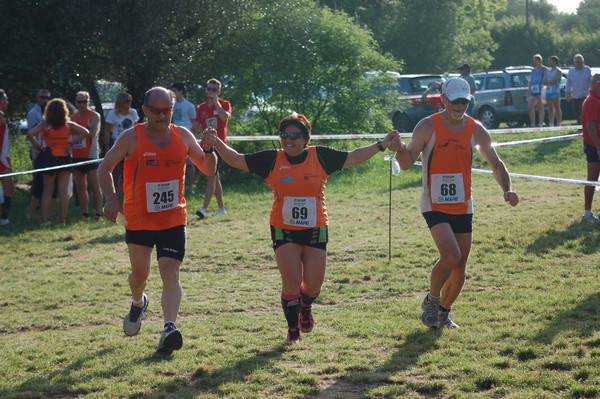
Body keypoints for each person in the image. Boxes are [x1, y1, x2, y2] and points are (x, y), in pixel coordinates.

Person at [202, 113, 398, 344]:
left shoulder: (320, 156)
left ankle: (306, 305)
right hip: (283, 229)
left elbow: (353, 157)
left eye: (295, 135)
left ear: (306, 138)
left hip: (316, 227)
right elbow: (236, 159)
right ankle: (293, 330)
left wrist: (381, 145)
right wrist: (215, 143)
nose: (288, 140)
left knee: (313, 285)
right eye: (284, 135)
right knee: (292, 280)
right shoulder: (272, 160)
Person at [392, 77, 519, 329]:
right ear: (443, 100)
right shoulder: (427, 126)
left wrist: (507, 189)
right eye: (455, 101)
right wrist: (398, 149)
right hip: (433, 202)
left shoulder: (476, 129)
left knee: (460, 266)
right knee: (450, 255)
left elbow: (496, 163)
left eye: (464, 101)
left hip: (463, 203)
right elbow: (406, 164)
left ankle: (443, 312)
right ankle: (432, 299)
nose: (459, 106)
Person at [98, 87, 216, 354]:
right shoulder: (132, 138)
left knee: (171, 271)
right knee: (140, 276)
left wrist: (208, 150)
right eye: (157, 110)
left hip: (173, 217)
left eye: (168, 110)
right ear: (146, 109)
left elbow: (208, 169)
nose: (163, 116)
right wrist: (111, 199)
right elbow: (104, 167)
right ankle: (139, 302)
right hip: (139, 220)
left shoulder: (183, 136)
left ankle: (169, 329)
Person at [27, 99, 90, 225]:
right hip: (64, 157)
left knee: (47, 190)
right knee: (63, 191)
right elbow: (86, 132)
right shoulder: (69, 124)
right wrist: (71, 143)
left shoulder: (46, 124)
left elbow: (30, 134)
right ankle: (62, 219)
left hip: (49, 156)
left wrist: (39, 148)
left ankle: (44, 219)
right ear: (64, 111)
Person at [191, 78, 231, 218]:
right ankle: (221, 208)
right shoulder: (201, 107)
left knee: (210, 176)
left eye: (214, 89)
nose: (211, 91)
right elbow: (195, 127)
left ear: (218, 91)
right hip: (206, 147)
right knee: (214, 177)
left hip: (219, 147)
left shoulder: (224, 104)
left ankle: (203, 209)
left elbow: (224, 118)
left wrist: (216, 103)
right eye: (209, 89)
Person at [72, 91, 102, 220]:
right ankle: (84, 213)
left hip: (91, 154)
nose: (82, 104)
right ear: (76, 103)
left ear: (88, 102)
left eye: (84, 102)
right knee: (80, 186)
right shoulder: (73, 117)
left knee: (95, 184)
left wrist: (80, 133)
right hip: (77, 153)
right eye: (79, 102)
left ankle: (98, 213)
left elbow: (92, 133)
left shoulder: (94, 115)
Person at [104, 93, 139, 194]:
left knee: (132, 169)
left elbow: (137, 128)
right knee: (116, 171)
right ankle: (114, 193)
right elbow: (107, 130)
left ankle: (131, 191)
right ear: (120, 102)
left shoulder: (133, 112)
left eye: (130, 101)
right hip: (117, 145)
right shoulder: (113, 114)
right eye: (126, 101)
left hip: (132, 146)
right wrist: (106, 146)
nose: (129, 103)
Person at [27, 89, 52, 221]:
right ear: (37, 98)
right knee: (37, 185)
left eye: (48, 97)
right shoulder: (33, 113)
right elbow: (32, 134)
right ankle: (32, 213)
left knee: (47, 186)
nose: (45, 99)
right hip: (39, 153)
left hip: (49, 154)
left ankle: (45, 213)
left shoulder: (51, 117)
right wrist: (37, 151)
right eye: (42, 97)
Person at [171, 83, 198, 196]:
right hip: (175, 138)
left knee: (190, 164)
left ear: (181, 91)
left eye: (175, 91)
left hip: (187, 138)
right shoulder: (172, 105)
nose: (173, 94)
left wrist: (191, 138)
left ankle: (189, 187)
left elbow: (195, 123)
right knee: (175, 163)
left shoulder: (189, 105)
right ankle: (176, 186)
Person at [580, 74, 600, 224]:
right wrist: (598, 147)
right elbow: (590, 126)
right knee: (592, 179)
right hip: (594, 146)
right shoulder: (592, 101)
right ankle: (587, 214)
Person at [565, 54, 592, 126]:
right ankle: (580, 126)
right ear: (574, 62)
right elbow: (568, 83)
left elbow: (591, 81)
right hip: (575, 95)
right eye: (577, 62)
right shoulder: (571, 71)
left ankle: (584, 126)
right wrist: (567, 93)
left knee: (583, 111)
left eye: (580, 62)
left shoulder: (587, 70)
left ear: (583, 62)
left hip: (585, 95)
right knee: (577, 112)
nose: (578, 63)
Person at [0, 89, 13, 225]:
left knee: (9, 186)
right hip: (1, 156)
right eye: (5, 99)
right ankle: (4, 217)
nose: (7, 102)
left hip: (4, 155)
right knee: (8, 186)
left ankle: (4, 217)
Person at [527, 54, 547, 127]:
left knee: (540, 106)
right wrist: (529, 90)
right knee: (530, 107)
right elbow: (531, 80)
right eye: (534, 60)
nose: (535, 62)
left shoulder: (544, 69)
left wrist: (542, 85)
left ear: (540, 60)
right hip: (534, 89)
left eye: (536, 60)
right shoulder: (533, 70)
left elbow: (545, 78)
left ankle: (540, 123)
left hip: (541, 89)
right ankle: (533, 123)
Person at [544, 56, 562, 127]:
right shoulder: (548, 71)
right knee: (550, 108)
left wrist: (548, 82)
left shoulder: (558, 71)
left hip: (555, 91)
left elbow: (554, 81)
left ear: (554, 62)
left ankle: (558, 123)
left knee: (557, 107)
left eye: (550, 61)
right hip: (548, 91)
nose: (549, 62)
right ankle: (551, 123)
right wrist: (548, 82)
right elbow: (543, 81)